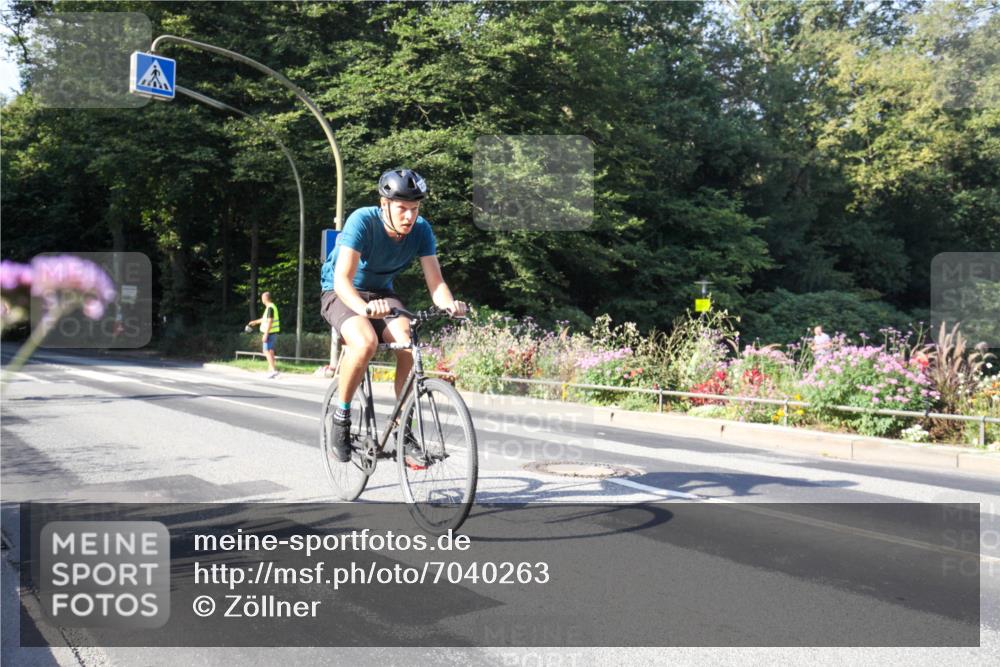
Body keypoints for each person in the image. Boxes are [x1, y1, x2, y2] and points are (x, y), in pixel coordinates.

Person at [320, 168, 467, 467]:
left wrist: (450, 303)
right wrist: (362, 308)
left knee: (409, 343)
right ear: (384, 204)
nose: (409, 216)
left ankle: (403, 429)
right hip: (341, 292)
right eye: (402, 208)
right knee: (364, 344)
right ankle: (342, 417)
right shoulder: (362, 220)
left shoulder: (422, 230)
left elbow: (436, 282)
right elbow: (342, 280)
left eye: (414, 209)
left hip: (382, 294)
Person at [247, 292, 280, 378]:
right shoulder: (271, 307)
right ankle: (272, 369)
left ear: (265, 298)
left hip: (269, 333)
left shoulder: (270, 308)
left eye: (262, 298)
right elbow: (265, 319)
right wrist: (255, 322)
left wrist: (266, 334)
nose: (262, 300)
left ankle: (273, 370)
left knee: (266, 351)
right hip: (272, 332)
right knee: (271, 351)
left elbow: (270, 321)